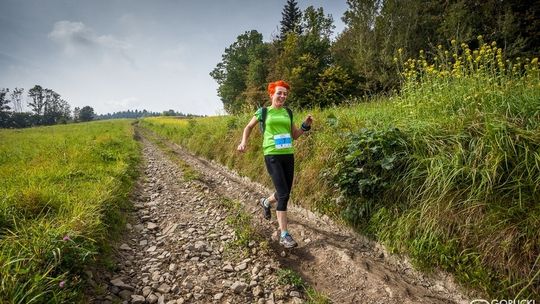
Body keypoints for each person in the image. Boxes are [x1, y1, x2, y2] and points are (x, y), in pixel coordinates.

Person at [237, 80, 313, 248]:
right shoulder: (263, 112)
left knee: (284, 191)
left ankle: (265, 202)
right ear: (271, 94)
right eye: (279, 93)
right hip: (272, 154)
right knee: (284, 195)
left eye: (285, 94)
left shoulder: (288, 112)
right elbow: (248, 127)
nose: (282, 96)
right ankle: (284, 234)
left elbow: (295, 135)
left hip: (288, 154)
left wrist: (305, 126)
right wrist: (244, 142)